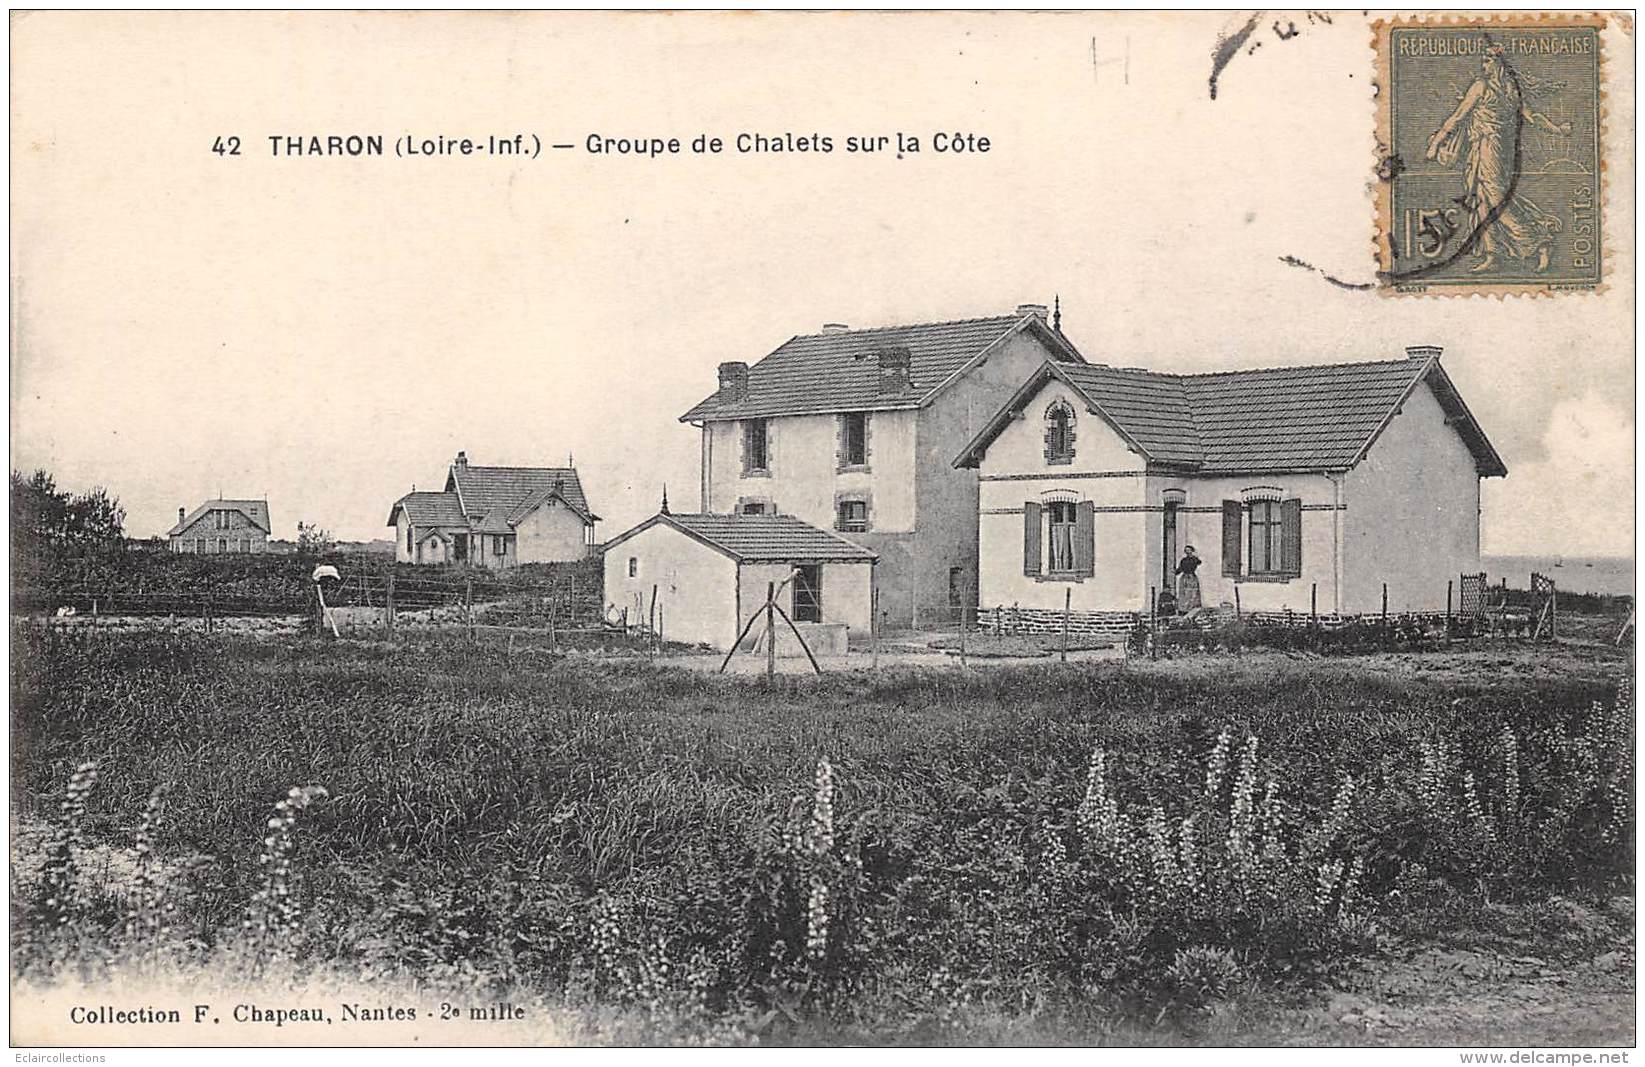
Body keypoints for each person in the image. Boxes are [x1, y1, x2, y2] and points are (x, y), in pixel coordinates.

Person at [1424, 45, 1573, 274]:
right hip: (1492, 149)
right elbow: (1533, 118)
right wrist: (1558, 129)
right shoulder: (1510, 89)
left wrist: (1435, 144)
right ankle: (1493, 254)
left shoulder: (1484, 87)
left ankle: (1539, 241)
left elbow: (1457, 117)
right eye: (1484, 61)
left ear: (1499, 63)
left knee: (1495, 199)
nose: (1483, 66)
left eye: (1487, 61)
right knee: (1481, 199)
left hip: (1490, 147)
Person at [1175, 546, 1202, 613]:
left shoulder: (1194, 559)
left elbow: (1199, 562)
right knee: (1184, 594)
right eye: (1186, 550)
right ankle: (1184, 610)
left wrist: (1196, 556)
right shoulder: (1183, 560)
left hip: (1192, 577)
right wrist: (1176, 572)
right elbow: (1180, 568)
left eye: (1189, 550)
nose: (1188, 552)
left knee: (1193, 594)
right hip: (1184, 578)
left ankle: (1193, 609)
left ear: (1192, 551)